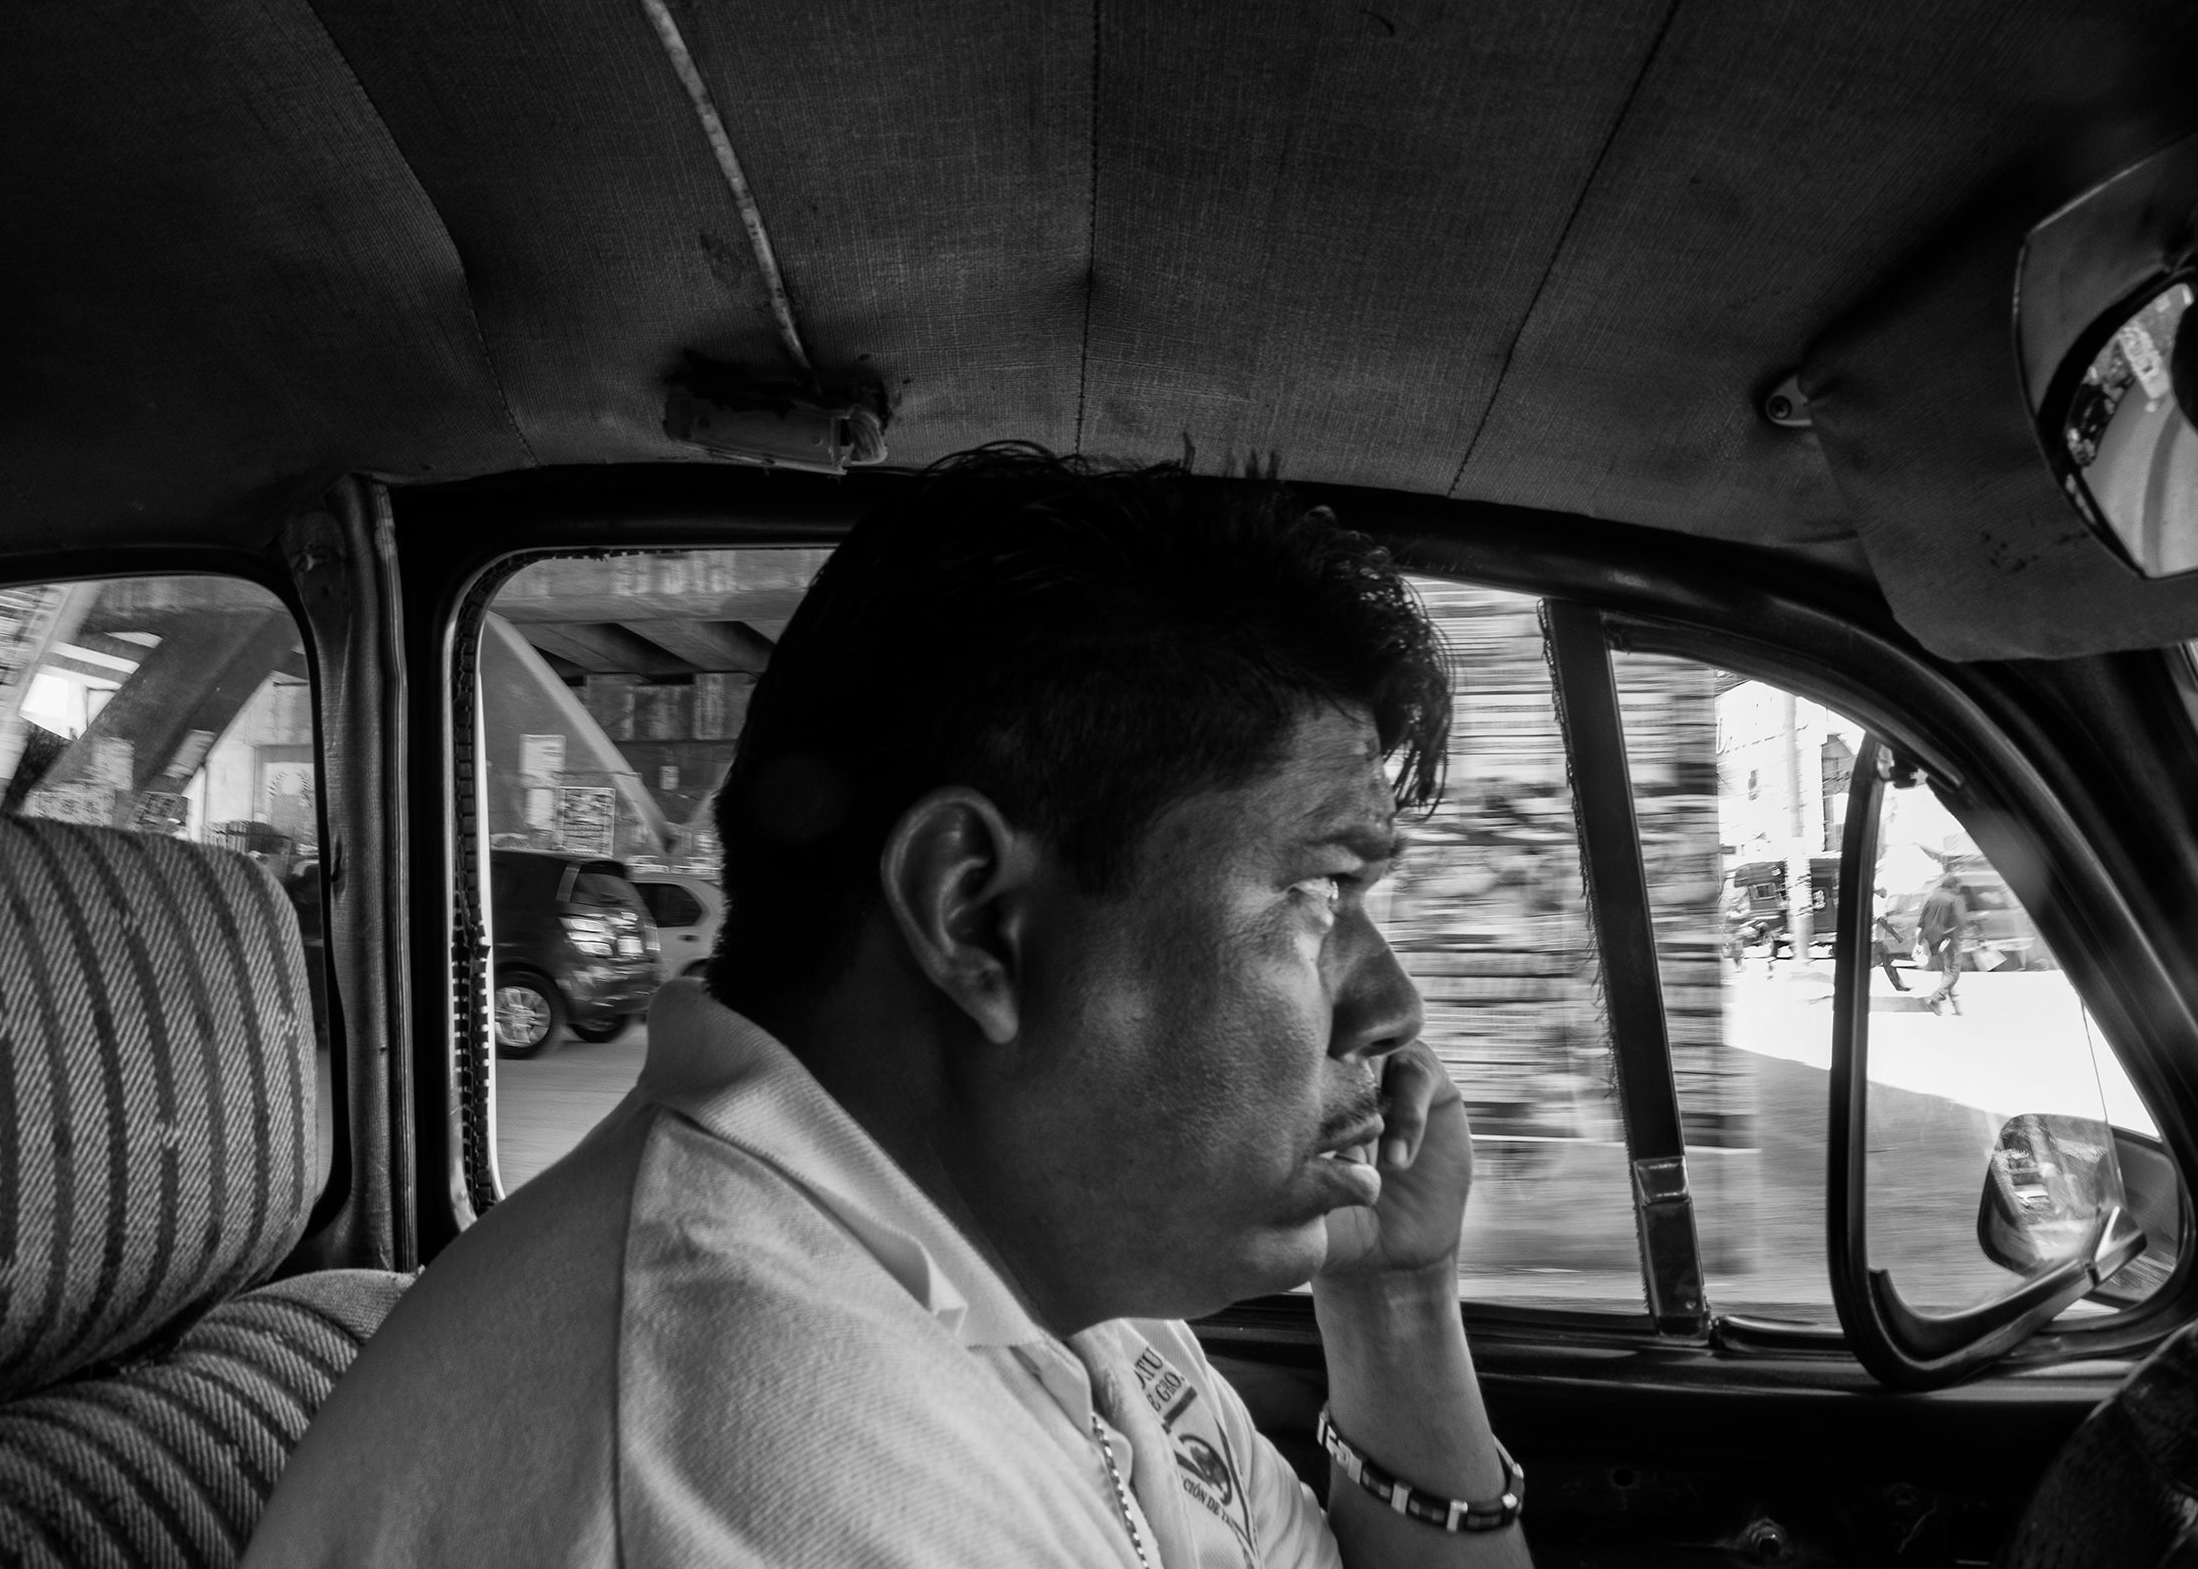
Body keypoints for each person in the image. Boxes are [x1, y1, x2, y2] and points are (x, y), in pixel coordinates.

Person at [247, 448, 1531, 1568]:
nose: (1391, 1006)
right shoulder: (748, 1464)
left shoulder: (1028, 1253)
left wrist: (1394, 1302)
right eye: (1316, 892)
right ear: (974, 916)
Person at [1918, 871, 1970, 1014]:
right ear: (1953, 886)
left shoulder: (1932, 898)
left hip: (1933, 940)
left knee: (1947, 972)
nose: (1959, 889)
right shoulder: (1955, 899)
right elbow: (1962, 922)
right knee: (1953, 973)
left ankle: (1955, 1007)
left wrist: (1920, 941)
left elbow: (1921, 922)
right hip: (1950, 938)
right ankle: (1935, 999)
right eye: (1958, 886)